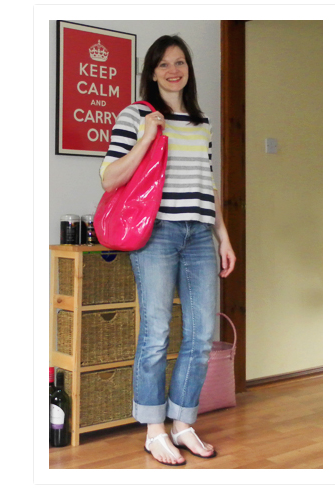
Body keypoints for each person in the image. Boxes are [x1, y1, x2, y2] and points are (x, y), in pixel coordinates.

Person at [100, 35, 236, 466]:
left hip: (199, 235)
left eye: (180, 62)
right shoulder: (135, 115)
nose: (173, 70)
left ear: (188, 69)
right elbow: (109, 178)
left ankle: (182, 422)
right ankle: (154, 429)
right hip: (156, 233)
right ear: (152, 72)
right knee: (156, 332)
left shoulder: (201, 121)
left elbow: (207, 184)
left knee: (200, 334)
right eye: (163, 64)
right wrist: (146, 137)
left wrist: (223, 236)